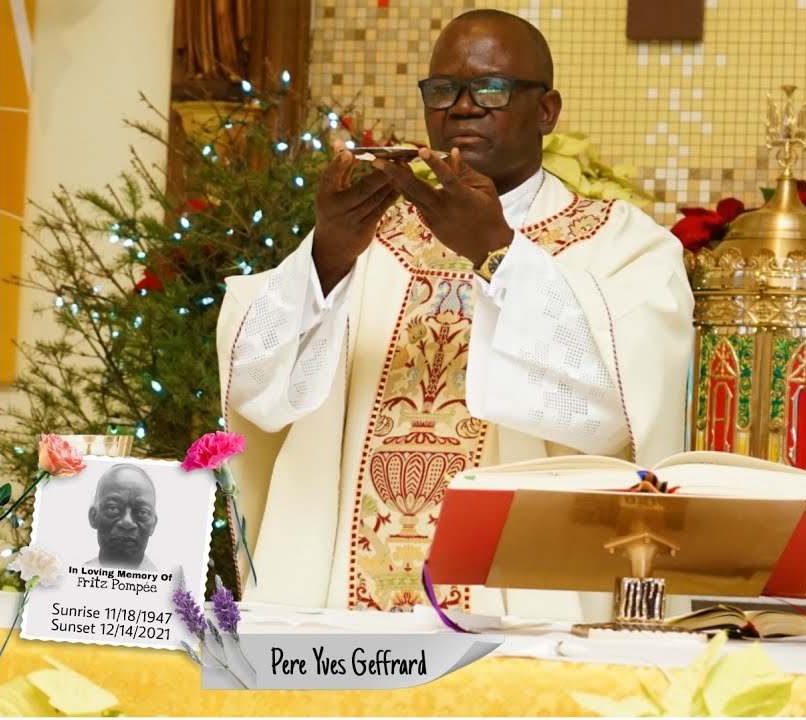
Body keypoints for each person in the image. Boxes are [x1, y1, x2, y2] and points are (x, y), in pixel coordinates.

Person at [216, 9, 694, 618]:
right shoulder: (366, 235)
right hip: (343, 614)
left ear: (546, 110)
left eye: (490, 89)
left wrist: (498, 255)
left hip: (521, 610)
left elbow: (623, 414)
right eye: (442, 90)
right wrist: (326, 257)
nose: (462, 107)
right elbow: (257, 387)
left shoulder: (622, 245)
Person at [84, 464, 159, 572]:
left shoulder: (167, 587)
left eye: (142, 512)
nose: (127, 522)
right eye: (113, 508)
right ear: (93, 517)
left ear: (153, 524)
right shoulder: (68, 581)